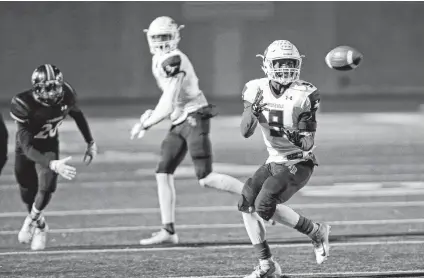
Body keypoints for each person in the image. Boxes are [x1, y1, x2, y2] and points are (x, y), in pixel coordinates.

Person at [130, 16, 246, 245]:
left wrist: (147, 122)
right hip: (180, 119)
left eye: (166, 37)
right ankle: (168, 230)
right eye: (157, 37)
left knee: (206, 178)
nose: (162, 42)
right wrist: (152, 114)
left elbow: (169, 102)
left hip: (194, 117)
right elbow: (168, 99)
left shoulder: (174, 60)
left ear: (176, 37)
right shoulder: (159, 59)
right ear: (149, 38)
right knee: (163, 172)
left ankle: (259, 198)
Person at [238, 40, 331, 277]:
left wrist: (298, 138)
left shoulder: (305, 93)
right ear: (268, 65)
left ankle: (316, 231)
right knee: (246, 203)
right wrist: (253, 111)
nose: (286, 68)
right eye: (280, 63)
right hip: (274, 160)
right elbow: (245, 131)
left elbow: (309, 142)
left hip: (298, 162)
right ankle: (267, 265)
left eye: (290, 63)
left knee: (264, 203)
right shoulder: (254, 89)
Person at [10, 64, 97, 250]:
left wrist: (90, 141)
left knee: (47, 187)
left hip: (49, 145)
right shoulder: (23, 103)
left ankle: (32, 221)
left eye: (55, 86)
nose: (52, 93)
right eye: (47, 88)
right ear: (37, 88)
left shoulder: (66, 95)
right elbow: (26, 147)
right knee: (27, 192)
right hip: (28, 150)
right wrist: (52, 164)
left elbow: (77, 115)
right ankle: (41, 224)